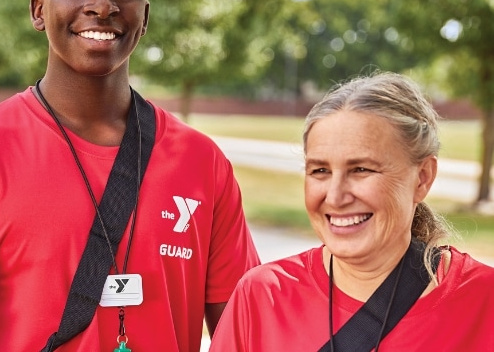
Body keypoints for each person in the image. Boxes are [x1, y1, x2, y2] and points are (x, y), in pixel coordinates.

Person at [0, 0, 260, 351]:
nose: (101, 4)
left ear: (144, 17)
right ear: (39, 10)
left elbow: (247, 336)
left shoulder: (204, 164)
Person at [209, 72, 494, 351]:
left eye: (361, 169)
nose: (335, 196)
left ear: (422, 178)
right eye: (320, 170)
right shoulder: (263, 297)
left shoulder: (484, 302)